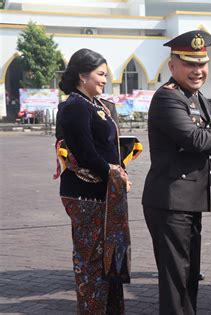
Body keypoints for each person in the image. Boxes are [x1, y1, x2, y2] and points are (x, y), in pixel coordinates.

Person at [141, 30, 211, 315]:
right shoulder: (168, 99)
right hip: (170, 202)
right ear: (172, 65)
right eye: (190, 63)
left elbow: (209, 149)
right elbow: (196, 140)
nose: (198, 70)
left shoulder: (196, 98)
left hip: (188, 202)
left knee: (189, 276)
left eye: (202, 63)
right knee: (175, 280)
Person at [56, 48, 131, 313]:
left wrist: (120, 168)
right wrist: (114, 171)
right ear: (82, 75)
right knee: (92, 260)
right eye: (100, 74)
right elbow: (85, 153)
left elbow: (107, 145)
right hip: (85, 194)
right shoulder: (74, 106)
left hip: (104, 191)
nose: (104, 80)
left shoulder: (96, 104)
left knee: (111, 255)